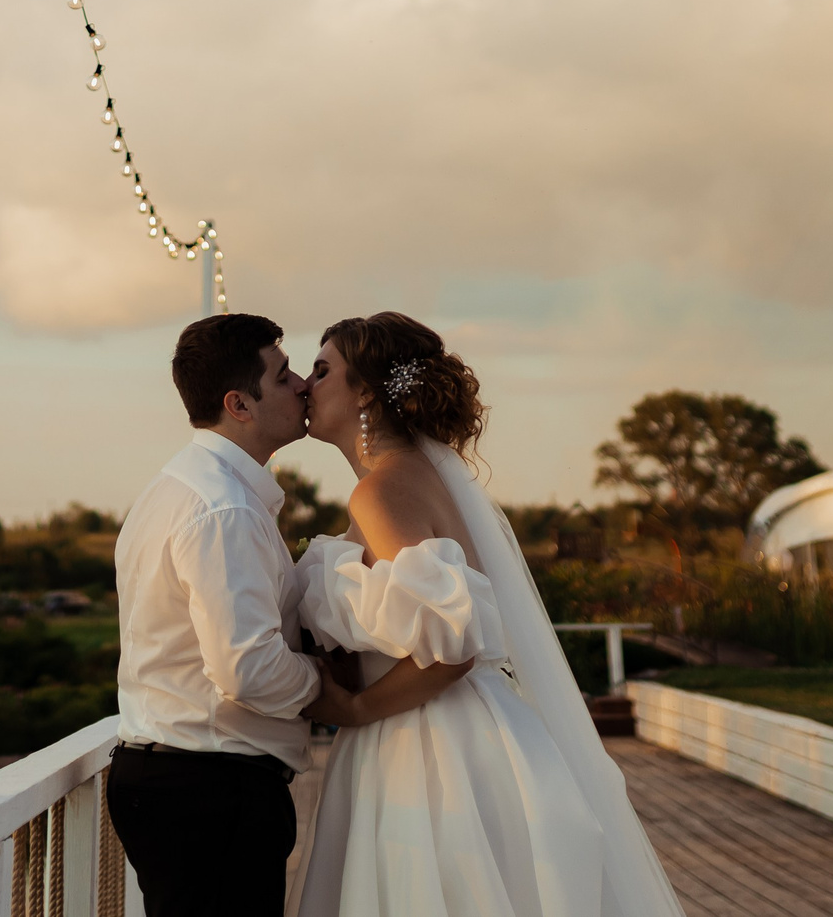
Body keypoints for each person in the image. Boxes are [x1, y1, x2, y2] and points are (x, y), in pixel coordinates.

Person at [292, 312, 687, 917]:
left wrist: (355, 708)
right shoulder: (408, 478)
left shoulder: (381, 490)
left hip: (423, 744)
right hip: (435, 729)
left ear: (366, 389)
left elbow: (453, 641)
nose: (305, 384)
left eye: (322, 370)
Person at [107, 311, 323, 917]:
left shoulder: (177, 487)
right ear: (240, 403)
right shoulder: (222, 509)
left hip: (178, 779)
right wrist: (330, 684)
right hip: (209, 789)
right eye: (283, 377)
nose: (303, 384)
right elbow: (248, 669)